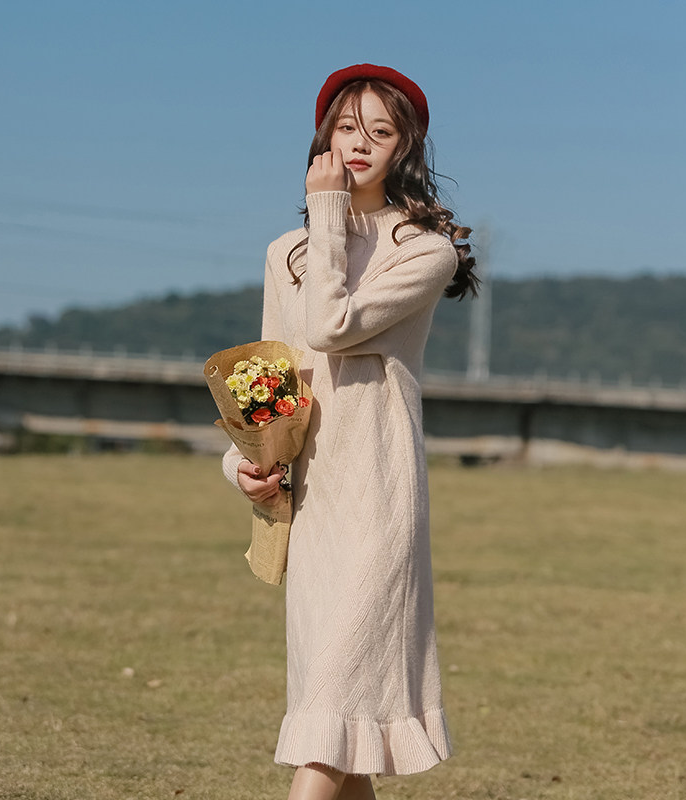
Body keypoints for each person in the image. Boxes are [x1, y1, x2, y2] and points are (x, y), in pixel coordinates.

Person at [222, 63, 477, 800]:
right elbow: (269, 381)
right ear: (322, 136)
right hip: (314, 507)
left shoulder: (424, 251)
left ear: (406, 146)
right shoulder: (286, 254)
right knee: (345, 730)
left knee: (329, 718)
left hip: (379, 502)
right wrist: (244, 467)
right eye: (345, 127)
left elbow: (330, 327)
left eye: (380, 131)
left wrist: (327, 208)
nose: (358, 144)